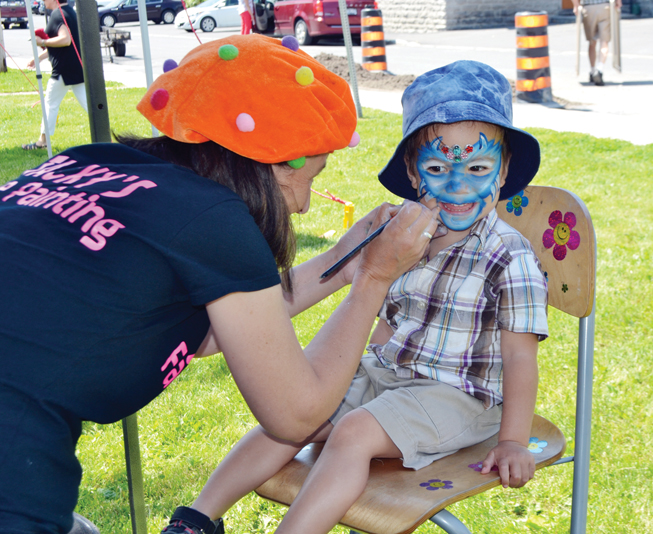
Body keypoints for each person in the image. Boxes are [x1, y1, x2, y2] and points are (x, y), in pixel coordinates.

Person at [0, 35, 440, 534]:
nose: (305, 206)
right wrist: (374, 279)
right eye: (309, 178)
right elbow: (295, 417)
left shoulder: (88, 162)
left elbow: (207, 335)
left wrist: (343, 261)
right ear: (271, 160)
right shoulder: (214, 220)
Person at [162, 60, 549, 534]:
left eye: (477, 167)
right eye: (435, 166)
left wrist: (512, 439)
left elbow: (519, 358)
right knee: (292, 419)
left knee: (352, 431)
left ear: (504, 170)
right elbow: (386, 319)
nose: (457, 185)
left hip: (462, 398)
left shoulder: (509, 255)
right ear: (411, 171)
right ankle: (197, 520)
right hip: (389, 377)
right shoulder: (404, 237)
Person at [23, 0, 88, 150]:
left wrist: (43, 41)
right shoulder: (69, 12)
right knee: (89, 105)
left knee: (50, 104)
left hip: (63, 71)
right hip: (76, 68)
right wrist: (38, 58)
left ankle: (42, 141)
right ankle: (107, 137)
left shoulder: (58, 14)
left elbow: (65, 40)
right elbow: (66, 44)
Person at [572, 0, 621, 86]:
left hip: (588, 7)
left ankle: (592, 70)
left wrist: (576, 5)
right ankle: (599, 69)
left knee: (592, 41)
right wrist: (618, 2)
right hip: (605, 7)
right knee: (604, 41)